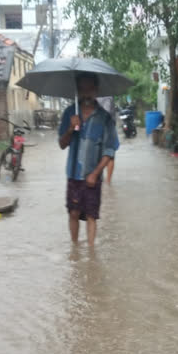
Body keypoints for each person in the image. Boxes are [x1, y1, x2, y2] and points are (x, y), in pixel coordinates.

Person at [58, 72, 119, 247]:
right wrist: (70, 129)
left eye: (89, 88)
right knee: (73, 213)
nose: (86, 93)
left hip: (93, 177)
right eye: (82, 89)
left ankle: (91, 252)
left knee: (92, 215)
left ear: (96, 90)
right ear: (77, 90)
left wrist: (95, 173)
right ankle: (75, 249)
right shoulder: (70, 113)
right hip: (73, 176)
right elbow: (62, 144)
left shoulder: (104, 118)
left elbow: (109, 150)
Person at [96, 96, 117, 184]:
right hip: (105, 127)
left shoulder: (105, 96)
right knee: (108, 155)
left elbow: (106, 113)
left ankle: (107, 181)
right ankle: (107, 181)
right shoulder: (108, 96)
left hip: (105, 127)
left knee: (107, 155)